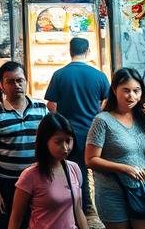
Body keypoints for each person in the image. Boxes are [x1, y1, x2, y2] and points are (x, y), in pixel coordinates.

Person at [84, 67, 145, 229]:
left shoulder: (142, 117)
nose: (132, 96)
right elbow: (90, 160)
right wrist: (124, 168)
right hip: (111, 193)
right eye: (126, 90)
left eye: (136, 90)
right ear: (114, 90)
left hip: (140, 190)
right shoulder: (102, 120)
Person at [44, 38, 109, 217]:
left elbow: (50, 104)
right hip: (93, 133)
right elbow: (108, 101)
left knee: (71, 171)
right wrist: (98, 115)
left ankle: (76, 206)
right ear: (88, 51)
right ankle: (93, 208)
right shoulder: (99, 75)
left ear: (70, 51)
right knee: (96, 172)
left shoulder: (59, 74)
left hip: (68, 135)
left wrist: (62, 119)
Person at [0, 61, 48, 229]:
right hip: (9, 184)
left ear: (26, 80)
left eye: (20, 80)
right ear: (1, 86)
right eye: (10, 82)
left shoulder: (41, 109)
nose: (16, 85)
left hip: (38, 181)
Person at [10, 114, 89, 229]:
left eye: (68, 140)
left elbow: (78, 210)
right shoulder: (30, 175)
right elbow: (16, 218)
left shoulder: (74, 169)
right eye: (58, 142)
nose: (65, 147)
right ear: (44, 142)